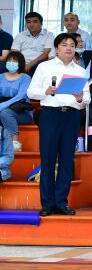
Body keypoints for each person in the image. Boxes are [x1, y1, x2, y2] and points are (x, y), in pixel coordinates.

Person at [27, 33, 90, 217]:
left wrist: (80, 98)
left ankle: (61, 202)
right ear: (56, 48)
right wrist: (45, 91)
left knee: (66, 160)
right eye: (64, 44)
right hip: (50, 115)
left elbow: (86, 99)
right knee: (47, 159)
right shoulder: (44, 67)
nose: (69, 48)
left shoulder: (80, 71)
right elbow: (31, 92)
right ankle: (47, 204)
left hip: (71, 116)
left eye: (72, 45)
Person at [0, 52, 33, 182]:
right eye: (9, 60)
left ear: (20, 63)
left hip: (21, 112)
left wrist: (2, 105)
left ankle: (15, 142)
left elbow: (20, 96)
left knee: (5, 113)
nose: (11, 63)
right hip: (2, 109)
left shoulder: (25, 78)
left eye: (15, 61)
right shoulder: (1, 77)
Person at [11, 12, 54, 76]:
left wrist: (30, 65)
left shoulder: (49, 35)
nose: (31, 25)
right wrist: (21, 64)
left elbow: (46, 53)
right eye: (28, 22)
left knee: (40, 65)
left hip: (38, 63)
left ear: (41, 23)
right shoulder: (20, 35)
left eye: (35, 22)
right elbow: (14, 51)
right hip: (21, 63)